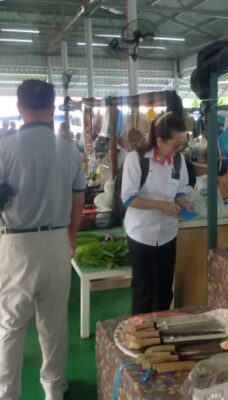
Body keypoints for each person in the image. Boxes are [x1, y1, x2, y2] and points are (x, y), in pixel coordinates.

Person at [0, 80, 85, 400]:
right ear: (52, 108)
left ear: (19, 107)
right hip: (56, 242)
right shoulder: (69, 150)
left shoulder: (4, 149)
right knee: (53, 322)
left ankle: (7, 393)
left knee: (11, 325)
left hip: (16, 244)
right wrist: (71, 236)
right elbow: (78, 200)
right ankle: (53, 387)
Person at [121, 112, 192, 315]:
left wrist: (184, 202)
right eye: (176, 144)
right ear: (159, 140)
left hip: (168, 234)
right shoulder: (136, 159)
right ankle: (140, 331)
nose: (179, 148)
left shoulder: (178, 160)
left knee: (164, 289)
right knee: (144, 290)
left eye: (182, 144)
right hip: (141, 234)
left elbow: (180, 190)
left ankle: (161, 329)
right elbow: (128, 198)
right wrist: (161, 206)